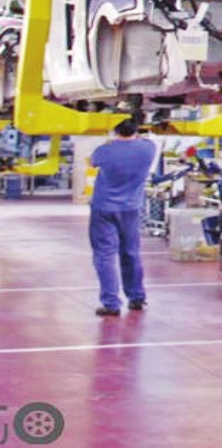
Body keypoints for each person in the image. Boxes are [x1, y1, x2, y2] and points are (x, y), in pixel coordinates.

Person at [89, 117, 158, 317]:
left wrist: (108, 139)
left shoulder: (105, 151)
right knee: (131, 252)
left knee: (105, 254)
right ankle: (137, 297)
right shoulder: (148, 148)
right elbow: (145, 137)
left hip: (103, 208)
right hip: (131, 209)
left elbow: (91, 162)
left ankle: (111, 303)